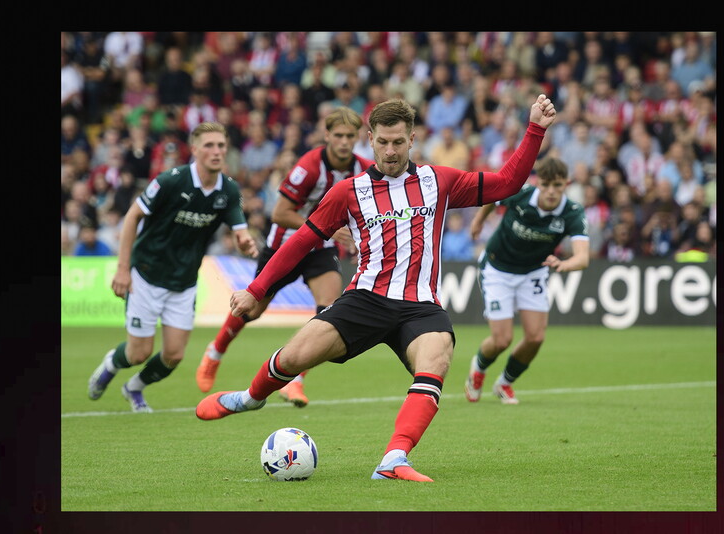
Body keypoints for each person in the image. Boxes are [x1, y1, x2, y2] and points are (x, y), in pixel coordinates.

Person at [195, 94, 557, 483]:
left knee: (437, 357)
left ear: (412, 139)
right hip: (365, 299)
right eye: (383, 142)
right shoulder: (349, 191)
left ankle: (393, 459)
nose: (390, 151)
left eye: (398, 142)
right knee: (294, 357)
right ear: (370, 139)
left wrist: (535, 128)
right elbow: (301, 241)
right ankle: (250, 398)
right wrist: (256, 289)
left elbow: (507, 183)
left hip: (420, 305)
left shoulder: (439, 181)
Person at [196, 107, 373, 406]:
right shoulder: (309, 166)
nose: (344, 142)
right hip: (284, 246)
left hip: (322, 249)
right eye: (339, 135)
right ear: (327, 135)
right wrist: (327, 229)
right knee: (252, 311)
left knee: (329, 312)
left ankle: (295, 381)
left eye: (350, 136)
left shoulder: (365, 169)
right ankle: (215, 351)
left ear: (358, 137)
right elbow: (279, 213)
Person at [87, 122, 259, 413]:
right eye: (209, 145)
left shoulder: (228, 189)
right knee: (138, 353)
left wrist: (245, 241)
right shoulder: (171, 180)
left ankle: (134, 387)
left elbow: (240, 229)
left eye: (221, 145)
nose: (216, 151)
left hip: (184, 281)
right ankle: (110, 365)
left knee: (174, 355)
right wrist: (122, 269)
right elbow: (132, 217)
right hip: (146, 274)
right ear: (194, 149)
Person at [464, 157, 589, 405]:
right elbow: (492, 197)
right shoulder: (520, 193)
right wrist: (478, 221)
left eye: (557, 185)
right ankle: (478, 368)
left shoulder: (572, 212)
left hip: (533, 272)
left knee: (535, 338)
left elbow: (583, 257)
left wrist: (565, 264)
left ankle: (504, 383)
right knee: (502, 340)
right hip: (497, 268)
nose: (551, 191)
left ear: (566, 184)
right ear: (537, 182)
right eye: (546, 185)